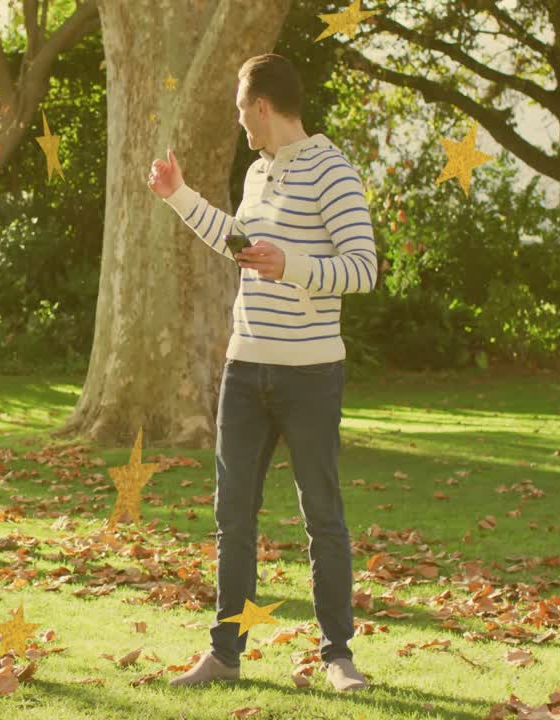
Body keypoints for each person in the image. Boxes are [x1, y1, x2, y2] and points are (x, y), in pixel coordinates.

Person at [147, 54, 377, 693]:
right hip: (245, 369)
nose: (238, 121)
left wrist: (293, 265)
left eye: (241, 108)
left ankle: (338, 656)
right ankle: (225, 653)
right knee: (233, 516)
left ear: (263, 105)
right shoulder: (257, 173)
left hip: (310, 374)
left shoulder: (333, 171)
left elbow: (363, 268)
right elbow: (242, 243)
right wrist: (179, 197)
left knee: (322, 516)